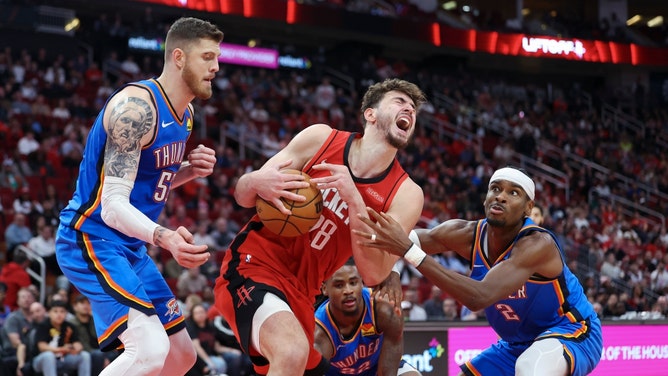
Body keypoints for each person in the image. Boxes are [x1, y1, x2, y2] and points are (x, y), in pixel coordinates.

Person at [214, 78, 426, 375]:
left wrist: (354, 201)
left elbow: (374, 273)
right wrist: (253, 180)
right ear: (370, 114)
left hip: (304, 293)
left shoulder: (406, 194)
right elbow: (243, 195)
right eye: (399, 101)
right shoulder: (321, 139)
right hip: (254, 263)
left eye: (413, 107)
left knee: (297, 359)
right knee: (291, 351)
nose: (409, 109)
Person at [54, 17, 224, 376]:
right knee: (149, 348)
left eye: (217, 58)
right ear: (179, 57)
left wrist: (189, 172)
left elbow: (147, 181)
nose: (216, 67)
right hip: (91, 236)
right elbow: (114, 205)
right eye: (207, 57)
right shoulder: (135, 109)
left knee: (181, 355)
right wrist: (165, 238)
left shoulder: (186, 116)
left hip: (129, 246)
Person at [356, 167, 603, 376]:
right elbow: (396, 241)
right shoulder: (465, 233)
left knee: (531, 366)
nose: (501, 197)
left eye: (513, 193)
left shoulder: (537, 245)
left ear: (528, 208)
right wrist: (394, 271)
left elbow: (478, 297)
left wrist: (408, 252)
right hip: (516, 344)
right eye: (495, 189)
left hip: (572, 330)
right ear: (485, 199)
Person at [314, 262, 421, 376]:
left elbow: (388, 371)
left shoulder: (383, 309)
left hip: (377, 367)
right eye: (339, 285)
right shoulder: (320, 332)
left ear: (361, 282)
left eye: (353, 283)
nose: (348, 290)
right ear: (325, 289)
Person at [29, 300, 91, 376]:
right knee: (49, 356)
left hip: (63, 359)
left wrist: (73, 349)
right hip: (41, 360)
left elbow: (78, 345)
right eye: (55, 311)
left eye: (62, 312)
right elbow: (42, 347)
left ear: (66, 313)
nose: (59, 315)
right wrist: (61, 349)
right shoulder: (43, 326)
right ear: (49, 313)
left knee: (84, 355)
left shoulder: (70, 327)